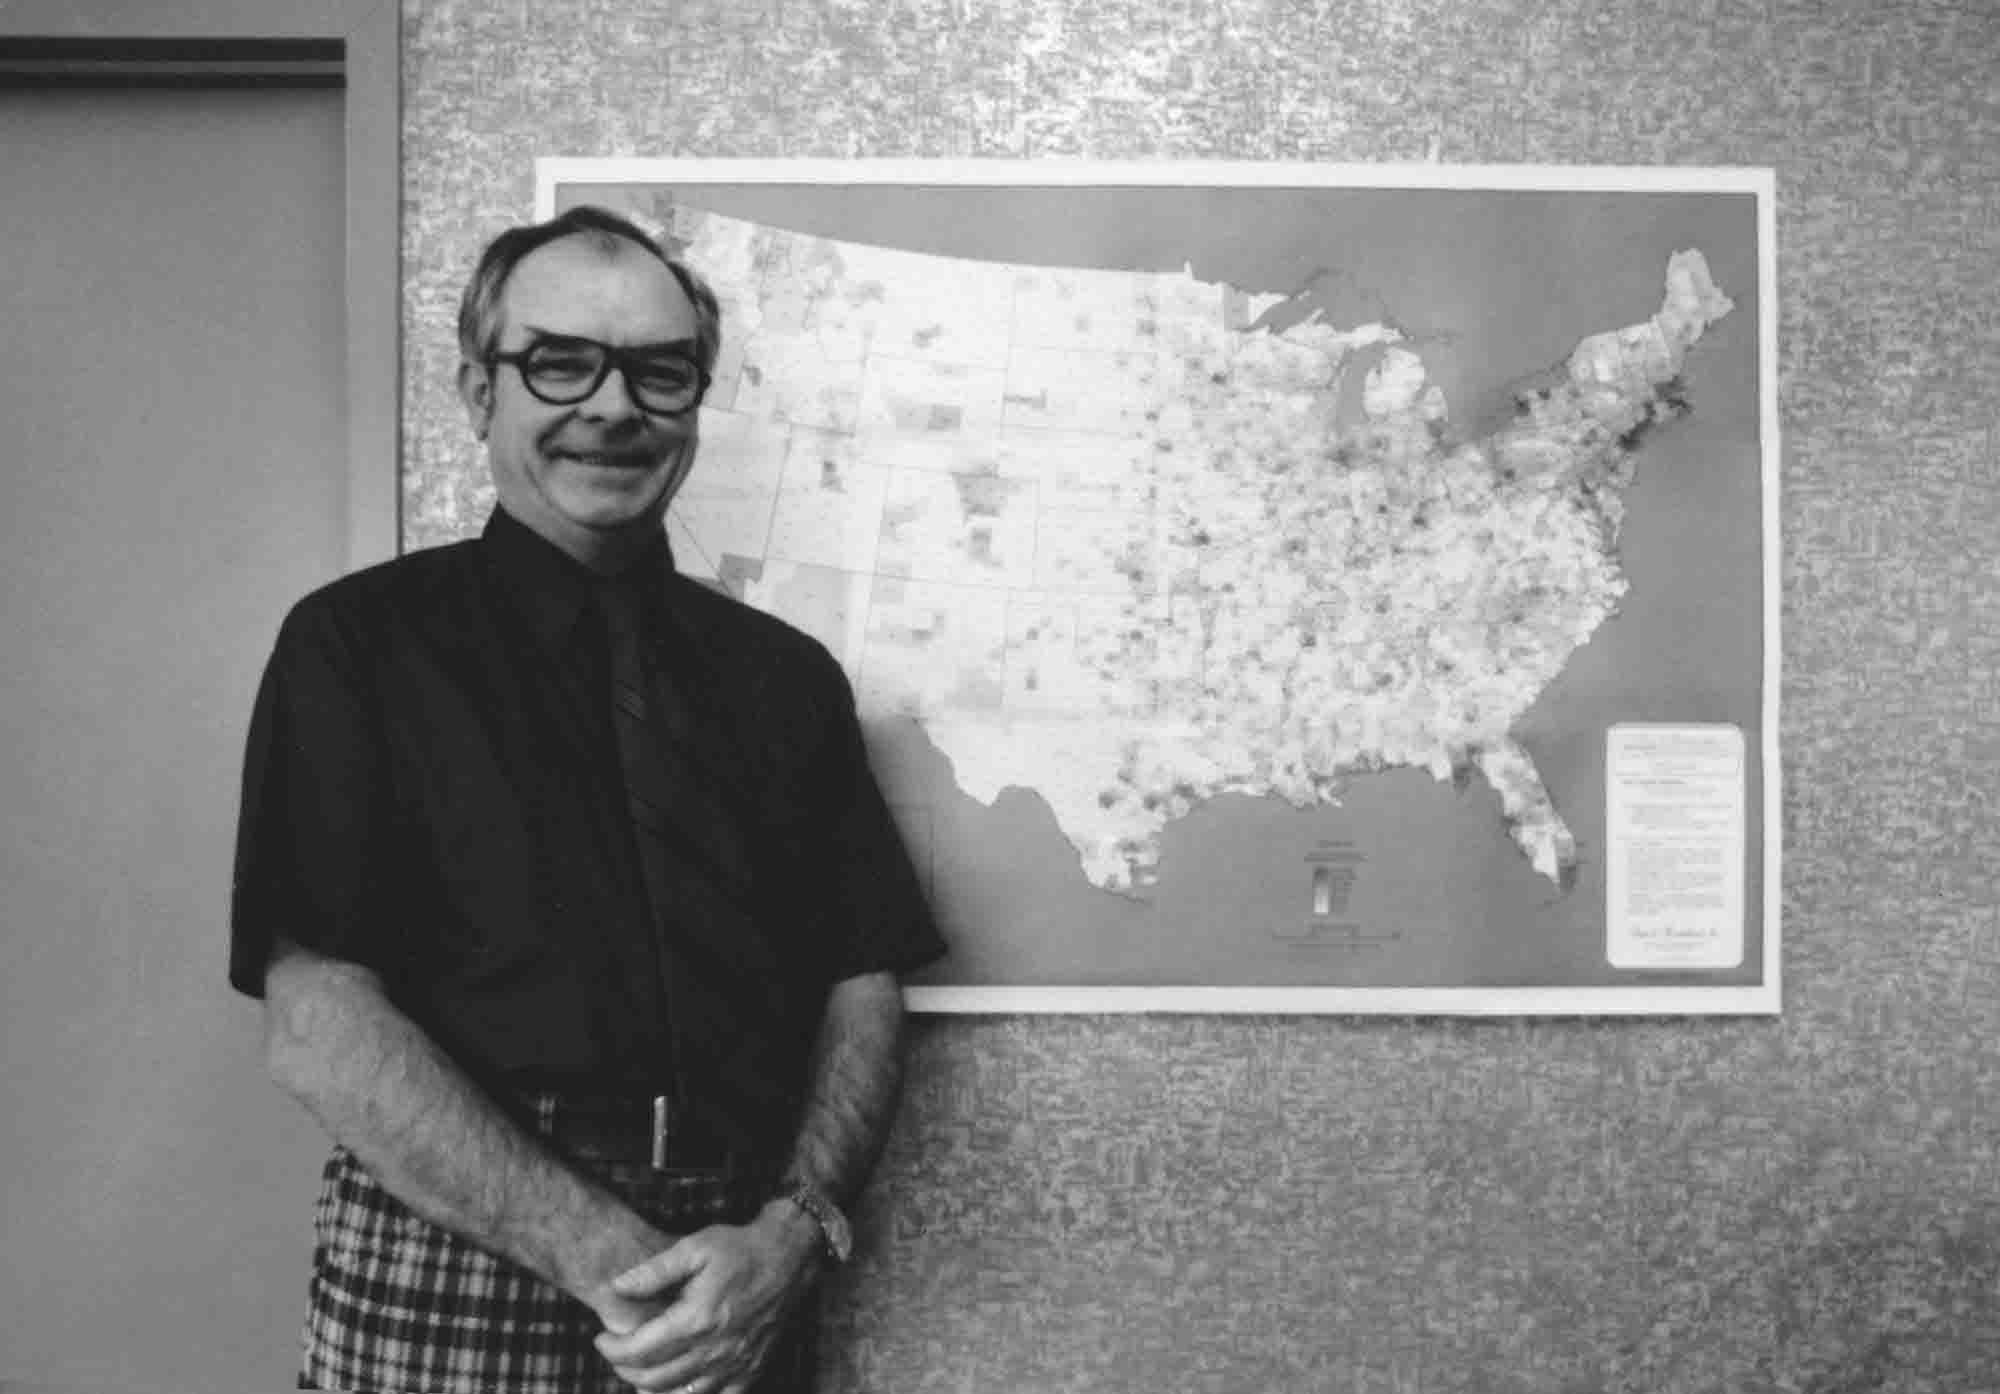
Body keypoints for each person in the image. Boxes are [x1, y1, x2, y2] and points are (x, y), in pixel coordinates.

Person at [229, 204, 946, 1394]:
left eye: (659, 373)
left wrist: (791, 1232)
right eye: (559, 360)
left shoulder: (787, 679)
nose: (613, 406)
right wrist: (613, 1259)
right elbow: (317, 1021)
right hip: (457, 1251)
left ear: (694, 404)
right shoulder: (355, 645)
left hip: (733, 1274)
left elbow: (861, 977)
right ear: (477, 391)